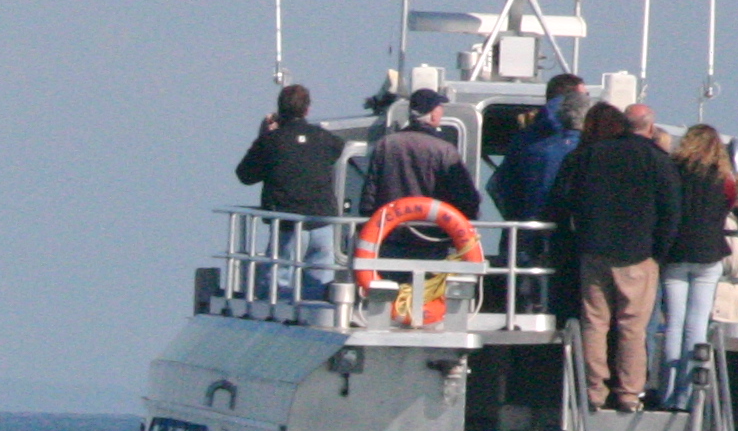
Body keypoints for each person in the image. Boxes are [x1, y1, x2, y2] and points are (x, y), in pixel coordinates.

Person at [542, 101, 682, 412]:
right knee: (632, 327)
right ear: (649, 127)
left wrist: (580, 237)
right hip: (639, 255)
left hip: (594, 251)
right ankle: (629, 393)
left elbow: (563, 200)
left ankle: (594, 391)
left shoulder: (588, 155)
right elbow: (672, 211)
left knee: (595, 323)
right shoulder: (657, 160)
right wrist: (658, 251)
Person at [653, 123, 738, 409]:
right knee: (697, 325)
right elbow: (727, 207)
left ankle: (667, 393)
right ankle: (688, 394)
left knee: (674, 325)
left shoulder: (672, 171)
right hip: (709, 253)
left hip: (676, 253)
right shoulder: (724, 179)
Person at [235, 84, 346, 278]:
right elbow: (338, 147)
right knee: (320, 282)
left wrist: (264, 135)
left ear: (279, 110)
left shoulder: (271, 141)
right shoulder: (324, 139)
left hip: (286, 224)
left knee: (280, 280)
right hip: (322, 221)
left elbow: (245, 175)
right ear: (307, 109)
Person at [362, 89, 481, 258]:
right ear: (432, 115)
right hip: (431, 241)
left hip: (390, 239)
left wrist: (370, 229)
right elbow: (467, 199)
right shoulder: (445, 150)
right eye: (439, 107)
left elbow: (369, 198)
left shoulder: (385, 145)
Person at [487, 70, 587, 265]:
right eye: (584, 95)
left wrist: (517, 217)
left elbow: (498, 187)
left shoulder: (525, 139)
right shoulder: (584, 141)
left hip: (524, 236)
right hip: (568, 240)